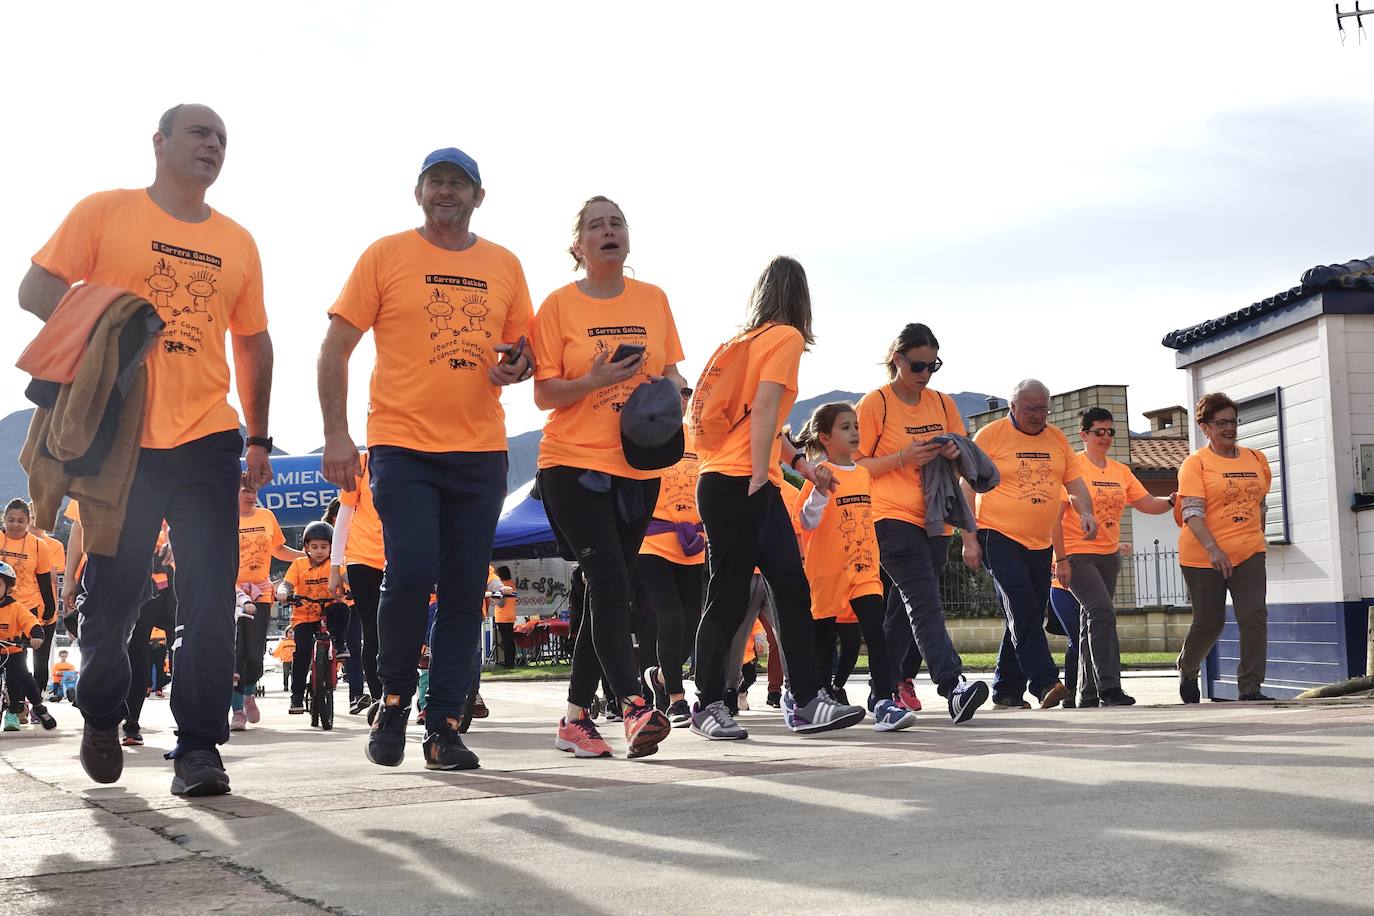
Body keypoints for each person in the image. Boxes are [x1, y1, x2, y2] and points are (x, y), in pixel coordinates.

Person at [18, 103, 274, 795]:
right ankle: (101, 713)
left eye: (222, 138)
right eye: (199, 132)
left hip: (209, 438)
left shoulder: (239, 241)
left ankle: (199, 749)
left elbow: (253, 341)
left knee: (211, 599)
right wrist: (112, 327)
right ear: (159, 142)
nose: (212, 145)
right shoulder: (107, 211)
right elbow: (36, 289)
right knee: (113, 602)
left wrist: (257, 436)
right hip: (118, 439)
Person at [319, 147, 534, 772]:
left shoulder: (504, 264)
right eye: (436, 182)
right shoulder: (386, 255)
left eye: (459, 184)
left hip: (480, 451)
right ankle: (391, 698)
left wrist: (515, 367)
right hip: (402, 444)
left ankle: (441, 724)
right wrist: (338, 434)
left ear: (478, 196)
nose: (447, 192)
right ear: (418, 193)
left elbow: (521, 354)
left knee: (466, 589)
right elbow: (335, 346)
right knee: (410, 569)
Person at [531, 195, 682, 760]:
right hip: (572, 464)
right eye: (595, 225)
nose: (608, 231)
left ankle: (574, 720)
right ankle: (634, 705)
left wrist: (673, 398)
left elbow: (670, 370)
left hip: (639, 465)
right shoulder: (557, 307)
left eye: (616, 222)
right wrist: (594, 379)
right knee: (613, 586)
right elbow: (544, 392)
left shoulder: (654, 299)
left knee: (604, 596)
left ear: (627, 238)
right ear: (578, 246)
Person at [691, 256, 866, 739]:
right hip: (741, 482)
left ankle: (806, 699)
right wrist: (755, 474)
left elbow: (763, 425)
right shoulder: (785, 338)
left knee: (788, 585)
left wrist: (804, 468)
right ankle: (707, 703)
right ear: (800, 299)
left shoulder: (741, 342)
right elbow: (766, 407)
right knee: (731, 595)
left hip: (735, 479)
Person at [855, 323, 991, 724]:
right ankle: (953, 686)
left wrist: (951, 451)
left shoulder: (943, 403)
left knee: (901, 611)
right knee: (925, 600)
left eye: (933, 366)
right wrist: (903, 458)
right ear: (897, 359)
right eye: (917, 365)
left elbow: (963, 455)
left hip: (935, 519)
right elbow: (856, 465)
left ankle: (882, 692)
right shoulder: (875, 404)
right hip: (889, 517)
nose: (925, 374)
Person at [963, 379, 1098, 710]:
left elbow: (1076, 485)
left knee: (1026, 615)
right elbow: (965, 488)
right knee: (1021, 606)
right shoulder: (991, 436)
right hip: (997, 535)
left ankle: (1006, 692)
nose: (1039, 416)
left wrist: (1086, 512)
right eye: (1031, 409)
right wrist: (969, 538)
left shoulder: (1057, 439)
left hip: (1039, 543)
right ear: (1013, 407)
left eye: (1043, 409)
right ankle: (1044, 683)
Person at [793, 403, 919, 732]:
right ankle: (817, 699)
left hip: (864, 570)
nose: (854, 433)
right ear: (825, 437)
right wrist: (820, 490)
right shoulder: (818, 474)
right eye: (845, 428)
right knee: (822, 637)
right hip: (827, 571)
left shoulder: (863, 473)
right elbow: (806, 520)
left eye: (856, 427)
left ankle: (883, 701)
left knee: (876, 634)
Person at [1051, 408, 1174, 707]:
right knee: (1102, 613)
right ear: (1084, 435)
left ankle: (1087, 692)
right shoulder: (1072, 468)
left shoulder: (1120, 471)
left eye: (1110, 432)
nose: (1105, 437)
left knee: (1089, 620)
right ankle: (1110, 688)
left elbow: (1146, 503)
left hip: (1108, 555)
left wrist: (1171, 500)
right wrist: (1061, 559)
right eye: (1098, 432)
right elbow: (1053, 519)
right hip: (1078, 555)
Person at [1176, 393, 1273, 703]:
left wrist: (1259, 537)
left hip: (1249, 551)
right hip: (1203, 555)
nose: (1229, 428)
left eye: (1233, 421)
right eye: (1221, 423)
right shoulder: (1196, 464)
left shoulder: (1256, 458)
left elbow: (1260, 502)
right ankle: (1188, 668)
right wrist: (1214, 549)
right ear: (1205, 427)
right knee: (1209, 623)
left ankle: (1250, 687)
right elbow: (1191, 511)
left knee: (1254, 616)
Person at [637, 414, 706, 727]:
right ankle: (677, 699)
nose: (681, 396)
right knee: (671, 616)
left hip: (692, 542)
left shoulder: (699, 436)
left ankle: (662, 676)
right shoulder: (642, 433)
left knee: (692, 621)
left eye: (686, 390)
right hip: (652, 541)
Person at [234, 487, 302, 731]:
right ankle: (237, 710)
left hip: (260, 590)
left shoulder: (266, 516)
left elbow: (278, 549)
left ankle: (248, 693)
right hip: (231, 590)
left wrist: (306, 557)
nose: (249, 496)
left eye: (253, 491)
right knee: (235, 653)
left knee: (253, 653)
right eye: (244, 491)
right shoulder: (225, 515)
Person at [330, 450, 385, 715]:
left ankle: (402, 692)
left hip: (402, 557)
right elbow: (343, 517)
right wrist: (334, 567)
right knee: (372, 629)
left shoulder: (413, 455)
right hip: (362, 559)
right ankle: (379, 698)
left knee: (401, 631)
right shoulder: (361, 463)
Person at [278, 522, 350, 718]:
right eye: (314, 547)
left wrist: (352, 588)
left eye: (324, 547)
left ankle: (341, 644)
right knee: (301, 652)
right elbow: (287, 583)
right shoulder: (298, 564)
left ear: (331, 548)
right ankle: (297, 696)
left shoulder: (336, 564)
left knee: (342, 609)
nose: (319, 551)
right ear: (306, 548)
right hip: (304, 616)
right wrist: (284, 592)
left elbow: (346, 578)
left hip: (327, 613)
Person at [2, 500, 58, 708]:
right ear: (4, 519)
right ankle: (16, 706)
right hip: (3, 607)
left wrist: (50, 609)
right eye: (11, 520)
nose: (15, 525)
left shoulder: (38, 545)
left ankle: (32, 702)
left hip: (29, 606)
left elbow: (44, 579)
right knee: (13, 660)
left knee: (30, 661)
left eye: (20, 521)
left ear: (28, 521)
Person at [1, 562, 58, 731]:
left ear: (8, 587)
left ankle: (38, 707)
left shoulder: (16, 608)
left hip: (13, 652)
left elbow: (29, 622)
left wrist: (37, 636)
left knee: (24, 678)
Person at [493, 565, 518, 669]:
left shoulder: (501, 586)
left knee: (506, 640)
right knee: (509, 640)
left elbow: (500, 603)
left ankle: (508, 663)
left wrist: (493, 599)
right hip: (510, 616)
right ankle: (511, 661)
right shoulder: (511, 585)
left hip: (502, 617)